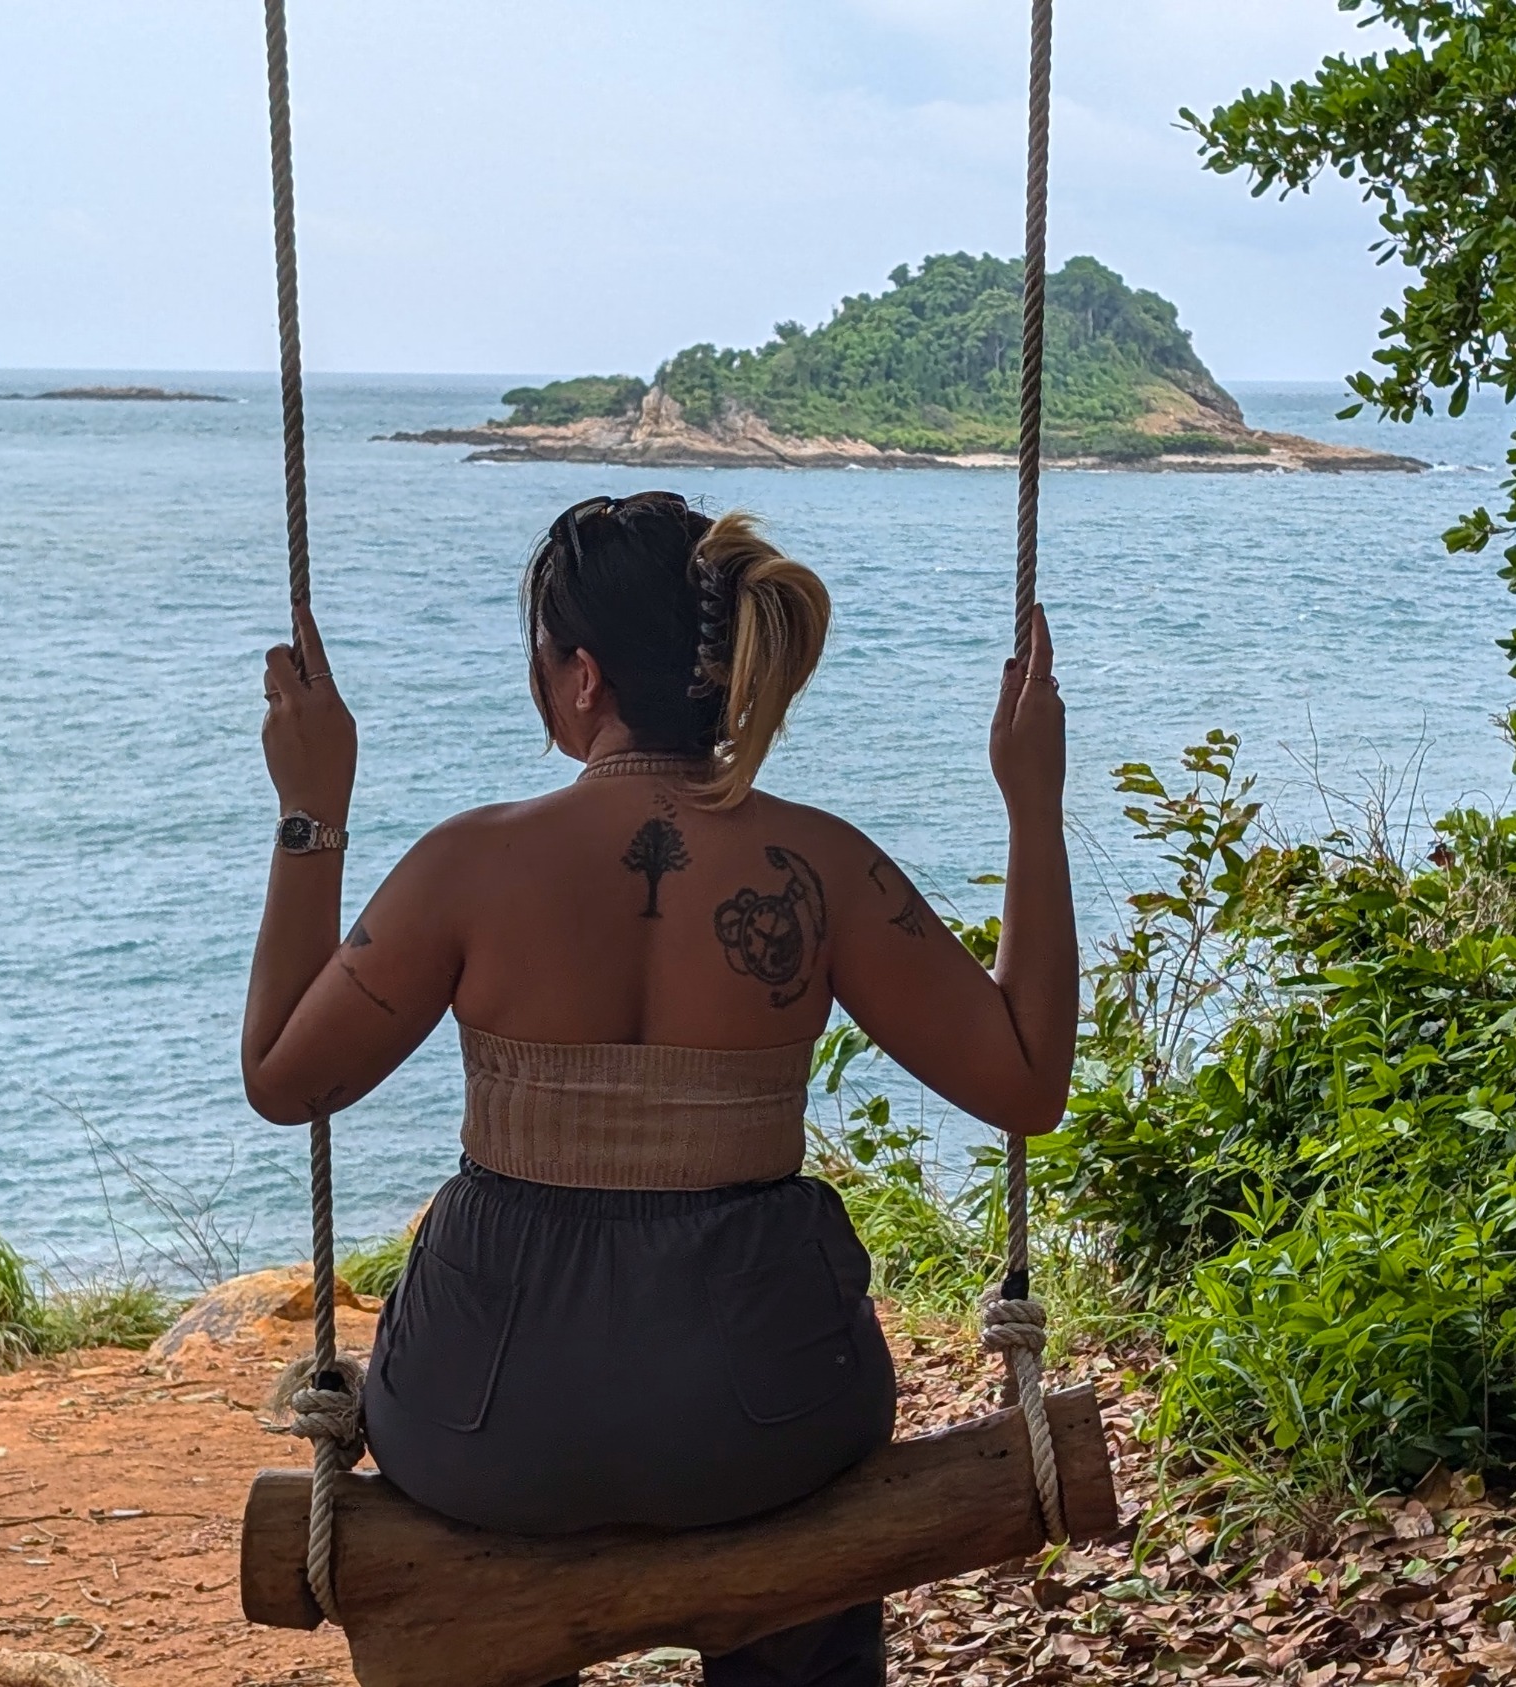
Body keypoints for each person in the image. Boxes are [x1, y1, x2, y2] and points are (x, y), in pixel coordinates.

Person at [240, 491, 1074, 1687]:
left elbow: (283, 1075)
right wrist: (1032, 805)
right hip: (762, 1419)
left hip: (488, 1422)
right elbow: (1028, 1078)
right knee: (800, 1548)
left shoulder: (468, 865)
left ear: (581, 678)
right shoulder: (821, 866)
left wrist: (310, 808)